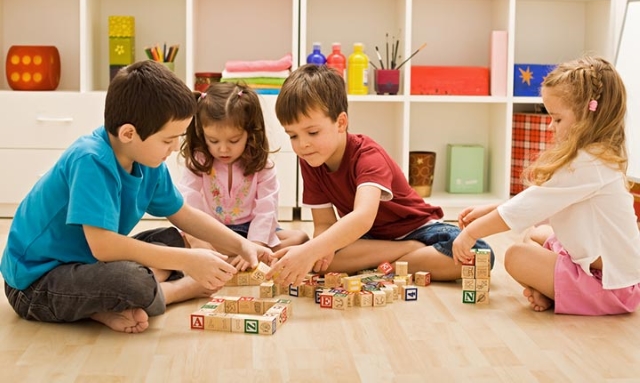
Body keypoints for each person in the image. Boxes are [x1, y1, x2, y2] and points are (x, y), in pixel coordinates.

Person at [0, 61, 273, 334]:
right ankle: (173, 290)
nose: (175, 147)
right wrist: (188, 263)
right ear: (129, 133)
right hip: (35, 283)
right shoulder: (91, 160)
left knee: (175, 238)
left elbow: (184, 215)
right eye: (168, 140)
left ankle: (105, 305)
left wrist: (241, 245)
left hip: (87, 264)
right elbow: (104, 247)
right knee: (133, 281)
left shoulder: (147, 160)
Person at [265, 64, 494, 286]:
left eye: (312, 132)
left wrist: (311, 251)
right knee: (325, 260)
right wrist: (319, 251)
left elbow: (363, 217)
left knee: (480, 256)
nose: (302, 144)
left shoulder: (367, 155)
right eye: (293, 136)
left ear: (341, 123)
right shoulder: (312, 159)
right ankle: (406, 254)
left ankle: (392, 258)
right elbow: (324, 224)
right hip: (370, 240)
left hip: (418, 229)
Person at [452, 56, 640, 315]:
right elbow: (540, 200)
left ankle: (557, 293)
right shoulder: (594, 156)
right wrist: (491, 210)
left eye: (557, 119)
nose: (551, 126)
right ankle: (553, 291)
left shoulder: (588, 164)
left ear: (589, 115)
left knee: (516, 255)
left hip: (611, 286)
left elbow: (531, 205)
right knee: (536, 234)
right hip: (606, 269)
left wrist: (471, 233)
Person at [178, 82, 308, 270]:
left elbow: (266, 208)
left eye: (234, 140)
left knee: (300, 238)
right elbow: (187, 199)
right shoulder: (200, 160)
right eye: (213, 140)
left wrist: (256, 245)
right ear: (201, 133)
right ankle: (234, 256)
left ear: (250, 132)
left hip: (250, 230)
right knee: (181, 241)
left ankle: (238, 256)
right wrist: (198, 239)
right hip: (215, 231)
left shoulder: (262, 165)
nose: (223, 149)